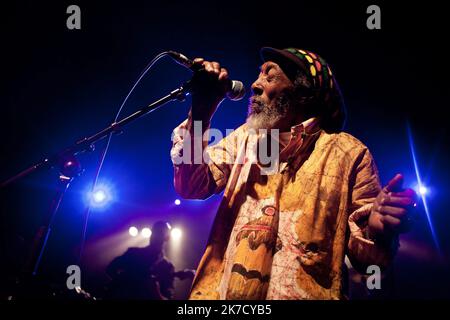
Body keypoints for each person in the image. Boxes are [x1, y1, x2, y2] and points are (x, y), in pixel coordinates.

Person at [170, 47, 417, 300]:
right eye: (259, 74)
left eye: (269, 76)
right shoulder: (243, 139)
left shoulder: (349, 153)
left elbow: (369, 264)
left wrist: (376, 232)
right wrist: (200, 115)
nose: (255, 84)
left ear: (303, 92)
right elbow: (191, 186)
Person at [105, 221, 193, 300]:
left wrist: (156, 292)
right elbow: (110, 269)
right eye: (155, 232)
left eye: (160, 233)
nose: (156, 236)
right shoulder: (134, 253)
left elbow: (167, 297)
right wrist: (124, 284)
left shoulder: (167, 267)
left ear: (167, 238)